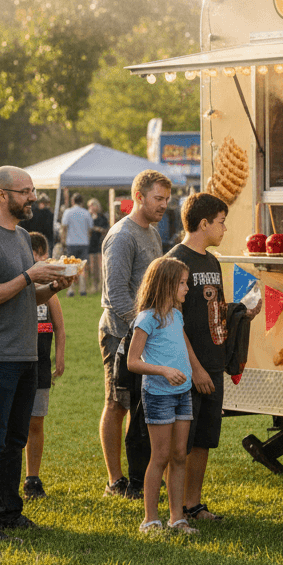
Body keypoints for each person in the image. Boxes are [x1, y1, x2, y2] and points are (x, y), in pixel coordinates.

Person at [0, 165, 70, 541]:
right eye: (24, 192)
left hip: (26, 353)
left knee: (14, 440)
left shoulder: (22, 236)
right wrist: (30, 276)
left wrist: (53, 286)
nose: (32, 198)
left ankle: (10, 512)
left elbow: (27, 296)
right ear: (2, 195)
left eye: (32, 191)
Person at [166, 193, 260, 522]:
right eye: (220, 221)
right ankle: (175, 510)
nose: (224, 227)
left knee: (205, 438)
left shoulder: (213, 261)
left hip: (213, 363)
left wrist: (241, 312)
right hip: (186, 368)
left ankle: (194, 505)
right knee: (181, 443)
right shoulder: (174, 262)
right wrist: (195, 369)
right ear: (203, 223)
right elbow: (172, 322)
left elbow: (215, 310)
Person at [99, 170, 170, 498]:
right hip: (120, 334)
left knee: (142, 404)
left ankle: (141, 473)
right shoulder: (122, 235)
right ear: (139, 196)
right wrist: (139, 331)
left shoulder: (153, 232)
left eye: (167, 199)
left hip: (147, 333)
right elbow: (116, 292)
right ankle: (116, 481)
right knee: (117, 403)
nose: (164, 205)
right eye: (159, 199)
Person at [127, 256, 200, 534]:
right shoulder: (147, 318)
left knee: (180, 455)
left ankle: (177, 517)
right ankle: (150, 519)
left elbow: (181, 349)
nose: (186, 288)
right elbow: (133, 362)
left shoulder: (176, 315)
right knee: (159, 457)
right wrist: (164, 371)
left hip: (183, 394)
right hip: (159, 395)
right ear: (167, 284)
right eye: (182, 283)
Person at [23, 231, 65, 500]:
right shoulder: (19, 286)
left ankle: (32, 477)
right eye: (37, 256)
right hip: (18, 362)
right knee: (14, 424)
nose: (42, 261)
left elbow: (60, 328)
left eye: (44, 256)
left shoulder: (49, 293)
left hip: (40, 366)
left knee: (36, 423)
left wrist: (59, 357)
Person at [60, 194, 92, 297]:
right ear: (82, 202)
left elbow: (64, 227)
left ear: (72, 201)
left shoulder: (68, 212)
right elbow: (90, 228)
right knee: (82, 267)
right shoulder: (86, 213)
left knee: (71, 266)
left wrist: (63, 240)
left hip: (71, 243)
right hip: (83, 243)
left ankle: (71, 290)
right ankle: (83, 289)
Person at [87, 198, 108, 294]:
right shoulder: (88, 217)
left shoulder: (102, 217)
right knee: (92, 267)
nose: (90, 207)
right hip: (90, 244)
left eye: (92, 205)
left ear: (96, 206)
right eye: (89, 206)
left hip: (100, 244)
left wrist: (95, 228)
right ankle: (94, 285)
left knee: (100, 267)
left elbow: (105, 230)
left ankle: (101, 286)